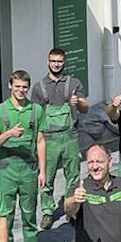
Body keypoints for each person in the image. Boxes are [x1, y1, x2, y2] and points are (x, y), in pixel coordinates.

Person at [0, 71, 48, 242]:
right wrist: (9, 133)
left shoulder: (36, 110)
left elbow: (40, 141)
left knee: (29, 214)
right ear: (10, 86)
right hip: (6, 169)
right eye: (17, 87)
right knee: (4, 215)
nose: (21, 90)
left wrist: (42, 171)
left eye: (24, 87)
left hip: (29, 168)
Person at [31, 47, 88, 229]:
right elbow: (35, 116)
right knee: (46, 178)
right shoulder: (39, 87)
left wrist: (78, 102)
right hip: (49, 139)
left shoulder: (74, 83)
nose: (56, 64)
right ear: (48, 62)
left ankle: (71, 209)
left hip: (70, 137)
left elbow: (85, 108)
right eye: (53, 61)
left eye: (59, 61)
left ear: (65, 63)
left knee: (73, 175)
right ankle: (47, 212)